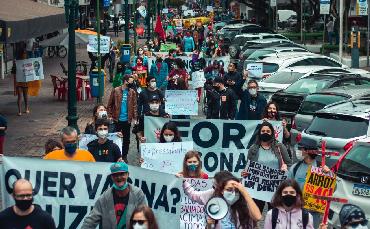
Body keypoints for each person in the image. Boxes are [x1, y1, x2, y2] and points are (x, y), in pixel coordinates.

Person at [183, 170, 262, 229]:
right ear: (221, 190)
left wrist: (244, 192)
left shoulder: (244, 202)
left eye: (236, 190)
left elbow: (258, 217)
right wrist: (209, 225)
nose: (233, 193)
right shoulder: (213, 197)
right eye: (229, 189)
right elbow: (193, 194)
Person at [243, 121, 292, 212]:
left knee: (275, 216)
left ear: (272, 133)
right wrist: (245, 172)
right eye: (263, 131)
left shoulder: (279, 147)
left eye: (268, 131)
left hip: (275, 189)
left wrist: (286, 170)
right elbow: (248, 166)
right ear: (259, 133)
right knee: (255, 216)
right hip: (257, 190)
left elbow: (289, 164)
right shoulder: (253, 149)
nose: (265, 133)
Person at [82, 162, 147, 229]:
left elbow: (144, 219)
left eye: (122, 174)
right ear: (112, 177)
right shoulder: (104, 197)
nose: (119, 177)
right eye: (115, 175)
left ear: (128, 174)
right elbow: (91, 220)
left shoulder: (138, 194)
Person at [288, 138, 330, 229]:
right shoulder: (295, 168)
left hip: (313, 214)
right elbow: (286, 187)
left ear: (307, 151)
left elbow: (332, 188)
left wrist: (328, 174)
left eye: (300, 149)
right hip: (296, 211)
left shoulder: (321, 168)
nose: (298, 151)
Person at [108, 74, 138, 163]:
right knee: (114, 138)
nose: (132, 83)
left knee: (126, 140)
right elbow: (110, 104)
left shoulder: (132, 92)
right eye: (131, 81)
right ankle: (114, 155)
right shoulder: (116, 91)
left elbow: (134, 105)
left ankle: (124, 155)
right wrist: (110, 116)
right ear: (125, 81)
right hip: (116, 119)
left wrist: (135, 118)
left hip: (127, 120)